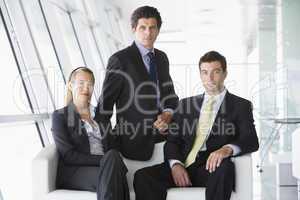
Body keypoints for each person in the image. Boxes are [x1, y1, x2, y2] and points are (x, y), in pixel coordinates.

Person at [133, 51, 259, 200]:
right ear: (200, 75)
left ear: (225, 74)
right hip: (183, 164)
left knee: (225, 168)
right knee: (143, 176)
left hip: (211, 168)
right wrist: (175, 165)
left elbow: (251, 140)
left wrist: (226, 149)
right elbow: (173, 141)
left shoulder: (240, 105)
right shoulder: (186, 104)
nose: (210, 78)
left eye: (215, 72)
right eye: (205, 73)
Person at [95, 6, 179, 161]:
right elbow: (104, 108)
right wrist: (109, 149)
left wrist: (167, 114)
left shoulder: (162, 58)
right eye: (143, 28)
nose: (148, 33)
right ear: (133, 29)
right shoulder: (120, 60)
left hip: (165, 134)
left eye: (152, 28)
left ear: (158, 30)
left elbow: (170, 96)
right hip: (134, 140)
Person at [51, 67, 129, 200]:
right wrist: (105, 160)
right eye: (81, 83)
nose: (86, 88)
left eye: (90, 84)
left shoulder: (100, 115)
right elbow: (68, 155)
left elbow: (112, 145)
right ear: (71, 85)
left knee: (113, 166)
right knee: (114, 172)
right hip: (76, 170)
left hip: (106, 166)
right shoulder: (60, 116)